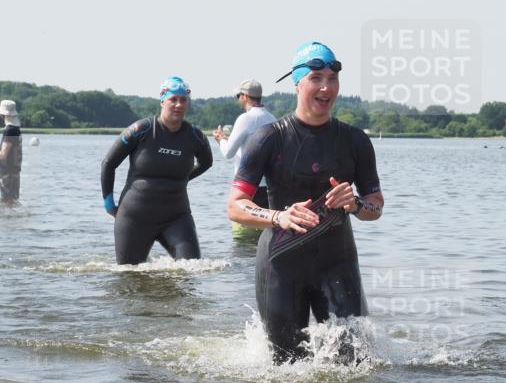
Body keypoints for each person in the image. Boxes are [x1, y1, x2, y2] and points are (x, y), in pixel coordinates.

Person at [226, 41, 384, 363]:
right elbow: (235, 206)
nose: (326, 87)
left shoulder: (355, 141)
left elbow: (376, 206)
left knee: (355, 362)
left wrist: (355, 204)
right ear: (297, 84)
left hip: (338, 263)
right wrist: (278, 217)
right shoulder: (269, 138)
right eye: (316, 78)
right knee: (286, 369)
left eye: (332, 79)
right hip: (281, 264)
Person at [101, 76, 213, 264]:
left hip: (177, 217)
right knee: (129, 275)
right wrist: (109, 204)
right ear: (162, 101)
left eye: (183, 100)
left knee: (192, 268)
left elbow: (206, 163)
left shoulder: (195, 136)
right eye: (173, 99)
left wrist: (183, 179)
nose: (178, 105)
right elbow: (108, 163)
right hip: (134, 217)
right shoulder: (141, 129)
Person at [213, 79, 277, 238]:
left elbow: (228, 153)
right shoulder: (272, 119)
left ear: (245, 96)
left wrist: (221, 139)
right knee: (263, 239)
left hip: (246, 190)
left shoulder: (245, 119)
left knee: (242, 239)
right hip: (268, 188)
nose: (238, 99)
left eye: (238, 96)